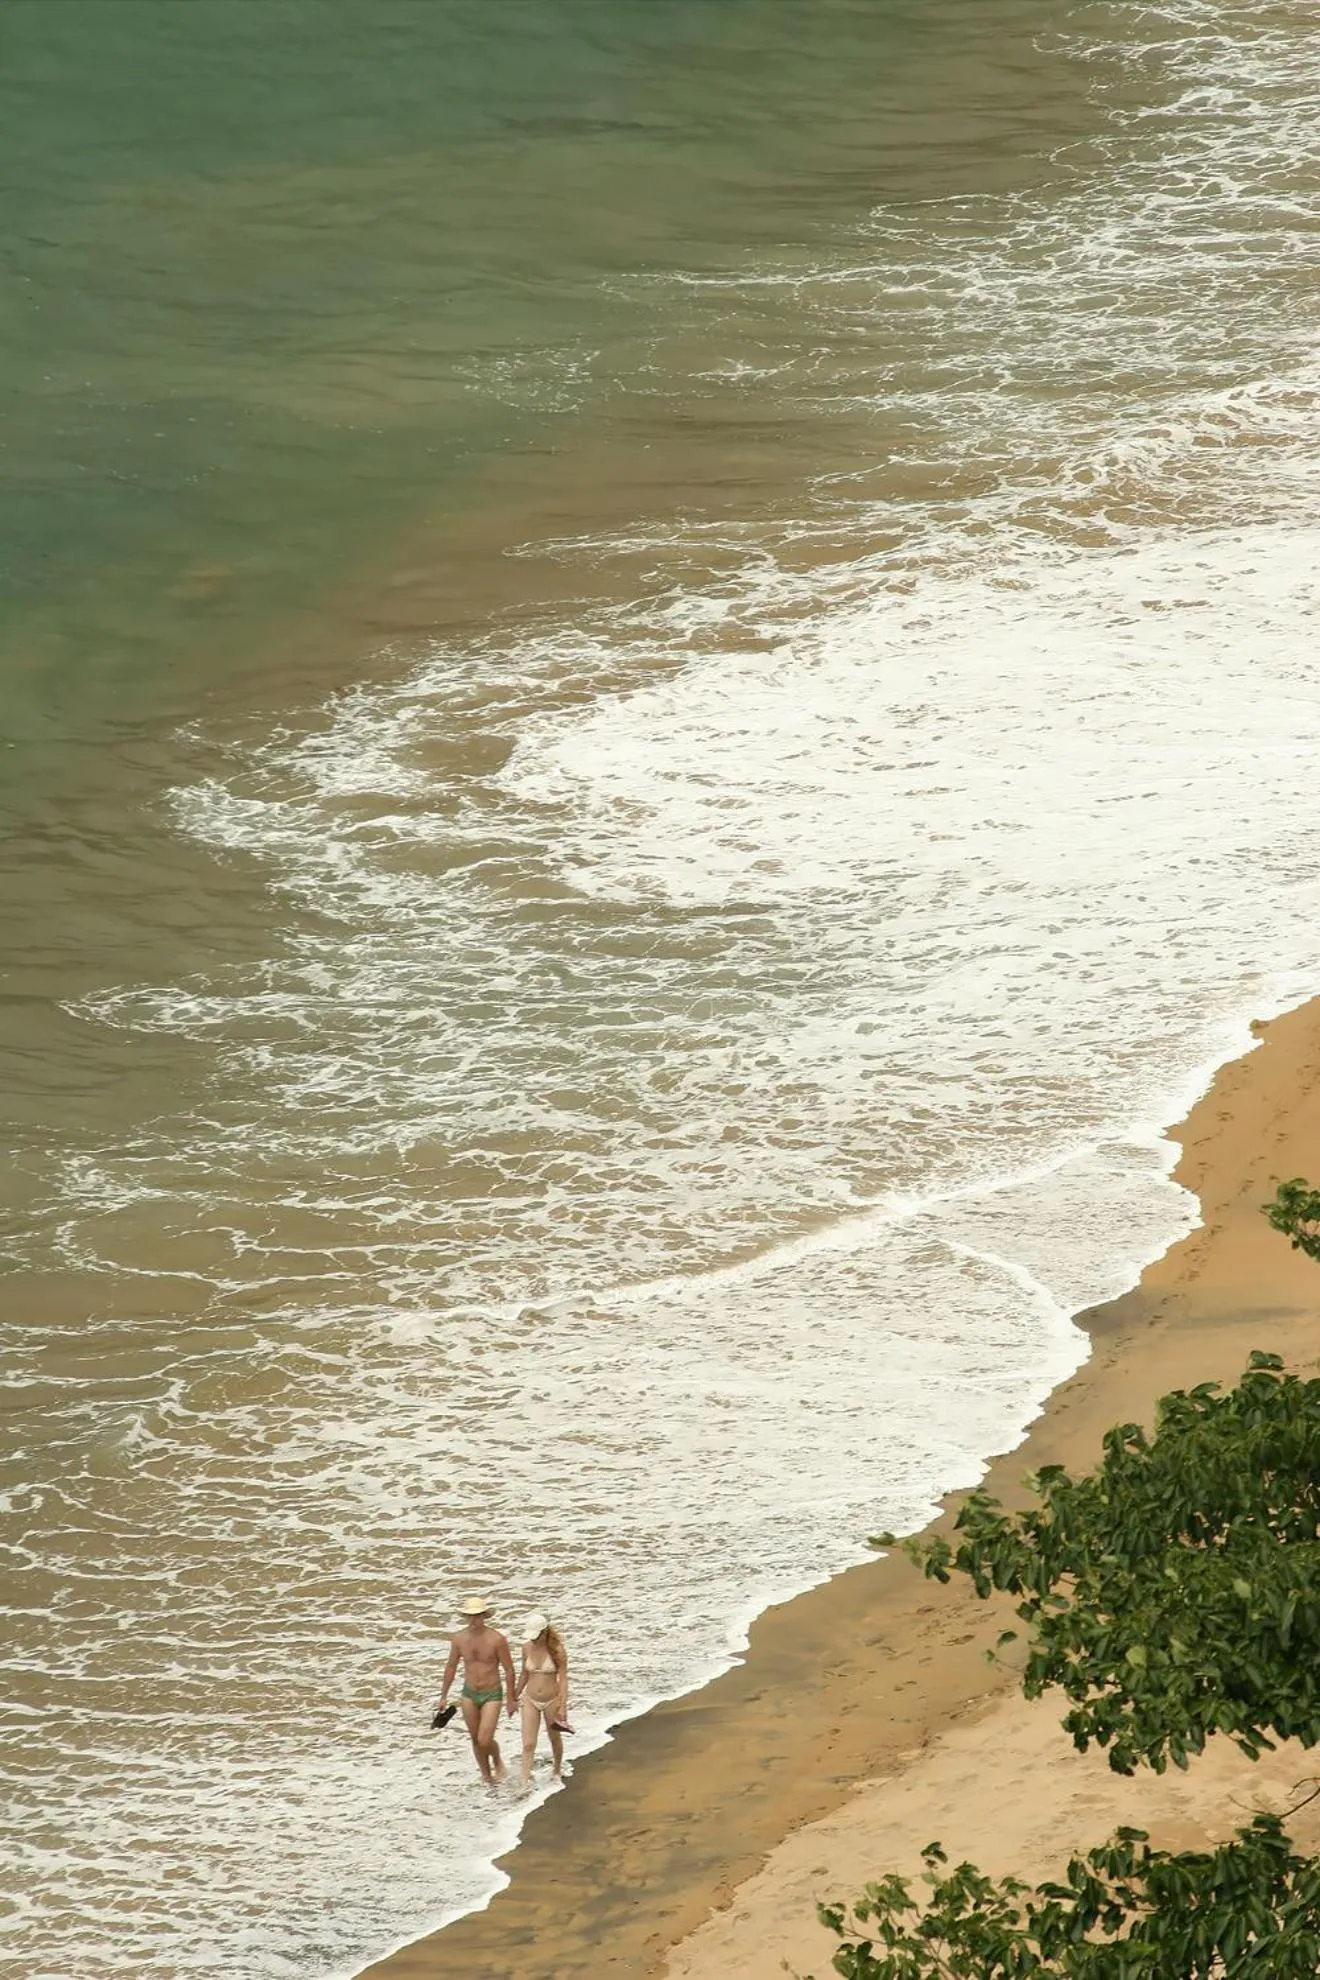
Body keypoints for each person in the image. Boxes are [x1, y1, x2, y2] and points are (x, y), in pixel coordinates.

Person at [435, 1597, 517, 1784]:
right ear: (465, 1616)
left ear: (484, 1616)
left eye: (477, 1616)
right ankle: (487, 1776)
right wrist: (443, 1696)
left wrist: (512, 1699)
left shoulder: (497, 1639)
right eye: (470, 1616)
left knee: (484, 1739)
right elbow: (451, 1667)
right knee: (475, 1738)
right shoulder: (459, 1639)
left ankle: (497, 1759)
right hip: (469, 1693)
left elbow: (509, 1669)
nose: (474, 1620)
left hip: (492, 1693)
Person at [515, 1611, 570, 1788]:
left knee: (554, 1738)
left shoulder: (557, 1650)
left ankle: (556, 1769)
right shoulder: (526, 1648)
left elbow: (563, 1679)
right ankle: (524, 1781)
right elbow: (524, 1673)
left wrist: (563, 1706)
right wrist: (514, 1695)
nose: (532, 1640)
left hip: (551, 1700)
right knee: (528, 1743)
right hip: (530, 1699)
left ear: (544, 1632)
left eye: (535, 1636)